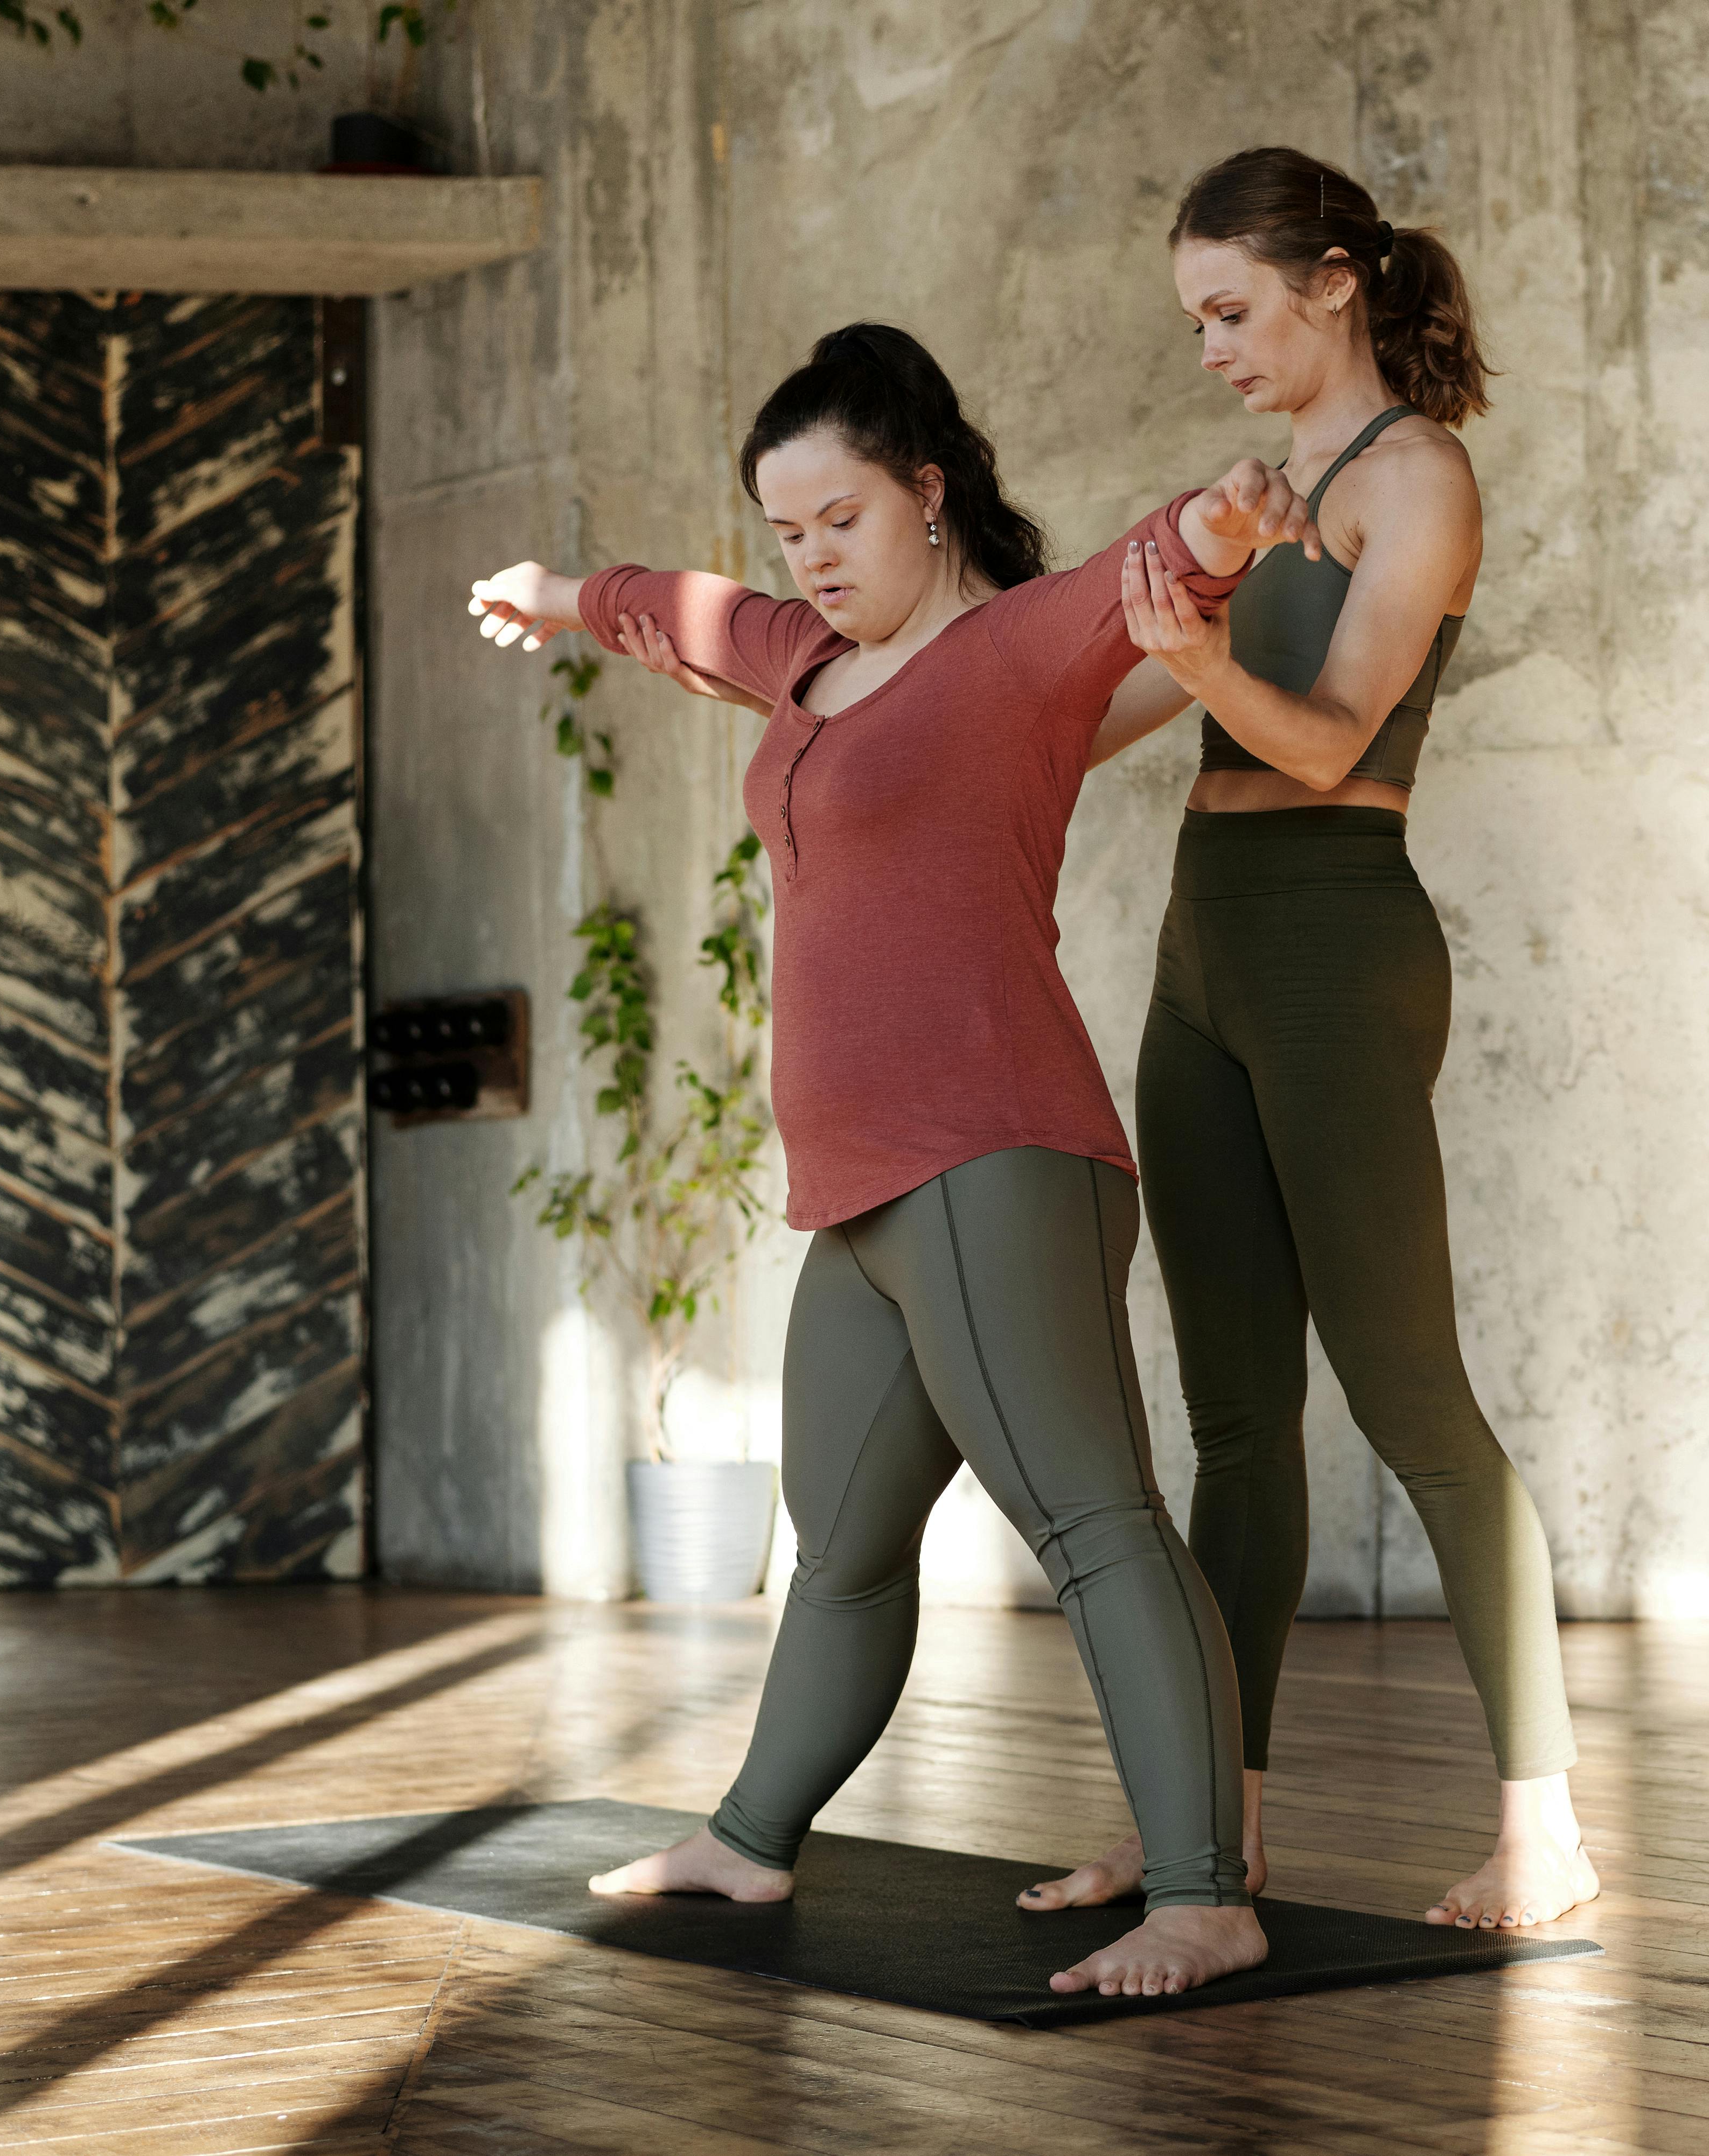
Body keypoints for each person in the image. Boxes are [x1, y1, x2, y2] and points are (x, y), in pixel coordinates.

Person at [621, 153, 1593, 1932]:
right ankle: (1204, 1818)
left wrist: (1186, 651)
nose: (1213, 345)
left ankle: (1543, 1814)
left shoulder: (1416, 479)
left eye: (1232, 310)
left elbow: (1322, 740)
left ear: (1333, 285)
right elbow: (1076, 702)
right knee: (1232, 1421)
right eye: (1195, 319)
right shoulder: (1263, 490)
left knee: (1410, 1402)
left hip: (1334, 942)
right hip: (1204, 949)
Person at [463, 321, 1316, 2000]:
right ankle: (751, 1831)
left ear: (927, 493)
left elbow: (1154, 568)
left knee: (1093, 1523)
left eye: (840, 518)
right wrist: (560, 594)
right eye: (789, 530)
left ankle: (1209, 1891)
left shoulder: (1006, 655)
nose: (811, 557)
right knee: (840, 1546)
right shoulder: (801, 660)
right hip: (855, 1194)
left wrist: (1227, 522)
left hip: (997, 1155)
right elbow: (684, 614)